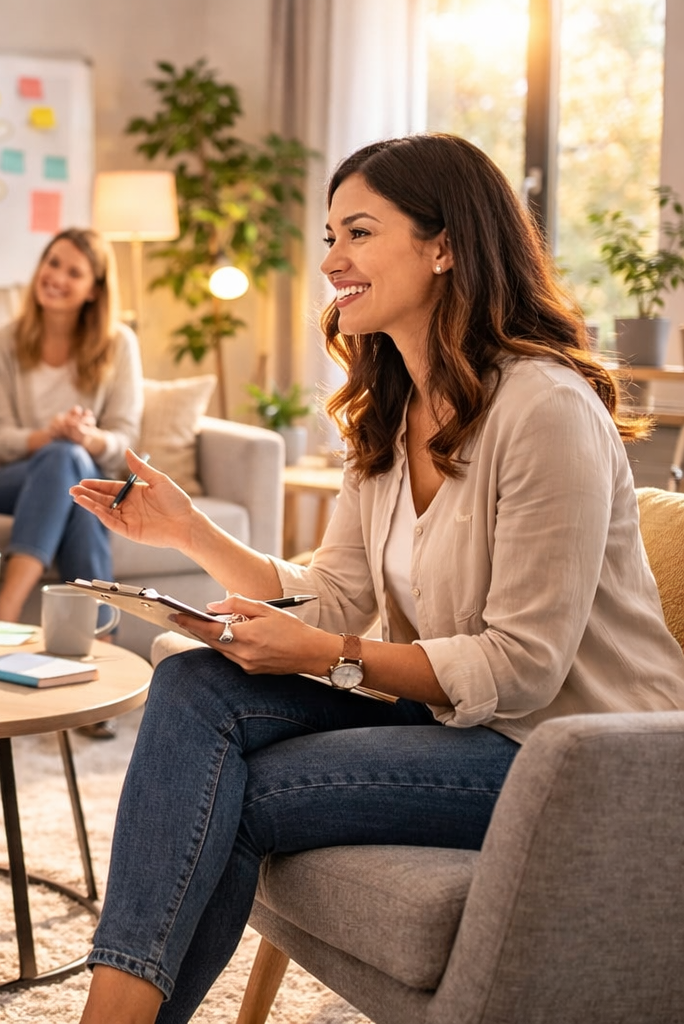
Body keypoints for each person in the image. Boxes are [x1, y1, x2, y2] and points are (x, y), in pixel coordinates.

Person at [67, 133, 684, 1023]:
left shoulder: (546, 409)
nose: (330, 261)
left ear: (446, 246)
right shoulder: (389, 405)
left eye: (357, 233)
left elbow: (521, 669)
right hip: (461, 721)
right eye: (328, 236)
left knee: (237, 795)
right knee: (195, 683)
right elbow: (339, 593)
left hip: (571, 756)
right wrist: (185, 530)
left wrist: (323, 652)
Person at [0, 227, 142, 740]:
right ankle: (98, 656)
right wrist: (51, 434)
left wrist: (87, 439)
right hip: (4, 479)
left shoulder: (119, 344)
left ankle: (5, 631)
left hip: (80, 473)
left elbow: (127, 438)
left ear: (94, 288)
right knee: (63, 462)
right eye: (52, 263)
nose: (57, 277)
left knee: (78, 485)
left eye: (73, 271)